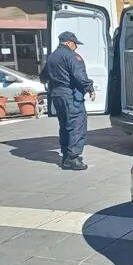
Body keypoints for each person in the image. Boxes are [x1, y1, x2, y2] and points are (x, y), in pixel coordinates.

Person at [39, 31, 95, 171]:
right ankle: (73, 158)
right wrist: (89, 87)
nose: (76, 47)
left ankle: (66, 156)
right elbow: (79, 75)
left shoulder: (52, 57)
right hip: (70, 95)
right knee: (76, 125)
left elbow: (43, 76)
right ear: (69, 42)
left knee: (64, 126)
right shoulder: (72, 57)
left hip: (57, 95)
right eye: (75, 44)